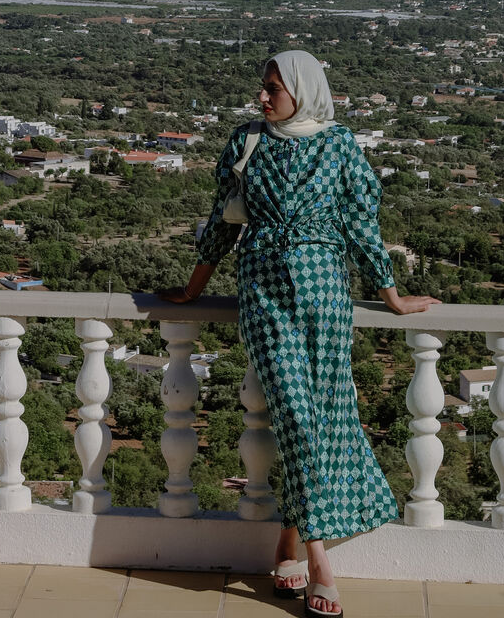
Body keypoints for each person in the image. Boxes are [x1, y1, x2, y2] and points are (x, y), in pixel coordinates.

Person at [161, 50, 439, 616]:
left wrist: (390, 295)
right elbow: (222, 219)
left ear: (304, 92)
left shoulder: (338, 145)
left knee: (320, 416)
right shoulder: (247, 142)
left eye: (273, 89)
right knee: (292, 411)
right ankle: (320, 563)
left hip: (324, 298)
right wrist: (193, 288)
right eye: (262, 87)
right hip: (263, 294)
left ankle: (286, 546)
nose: (262, 98)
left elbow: (362, 224)